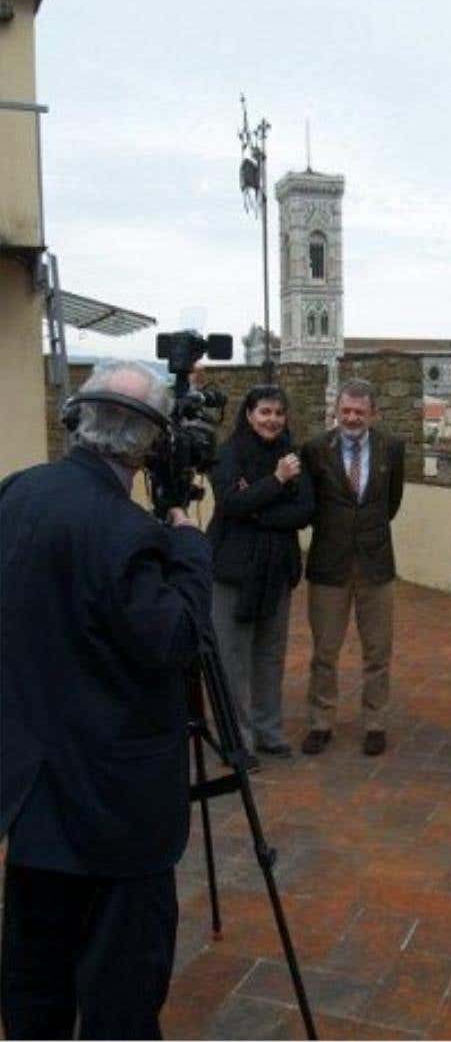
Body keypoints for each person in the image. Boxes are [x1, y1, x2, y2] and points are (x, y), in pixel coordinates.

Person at [0, 361, 213, 1040]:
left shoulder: (15, 494)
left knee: (35, 975)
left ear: (79, 421)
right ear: (147, 446)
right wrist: (188, 545)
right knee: (120, 989)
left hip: (30, 795)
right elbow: (176, 639)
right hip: (114, 812)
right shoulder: (129, 533)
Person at [208, 385, 314, 765]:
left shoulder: (292, 455)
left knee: (270, 654)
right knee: (232, 657)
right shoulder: (229, 453)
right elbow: (231, 502)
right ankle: (236, 739)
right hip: (233, 571)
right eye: (265, 412)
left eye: (278, 413)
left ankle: (269, 731)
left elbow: (305, 511)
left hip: (277, 569)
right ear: (249, 414)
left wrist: (256, 508)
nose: (272, 420)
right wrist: (278, 483)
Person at [300, 379, 405, 757]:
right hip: (329, 565)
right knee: (324, 651)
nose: (352, 418)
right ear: (336, 411)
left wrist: (365, 534)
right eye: (346, 411)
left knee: (378, 651)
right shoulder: (315, 450)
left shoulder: (391, 449)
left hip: (376, 565)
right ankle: (320, 721)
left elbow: (390, 504)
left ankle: (375, 722)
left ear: (373, 413)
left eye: (360, 411)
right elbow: (309, 504)